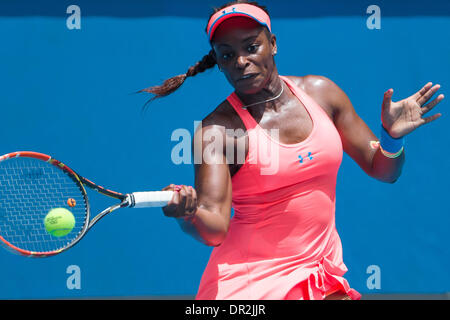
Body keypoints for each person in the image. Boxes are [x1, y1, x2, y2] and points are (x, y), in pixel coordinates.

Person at [140, 1, 444, 300]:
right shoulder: (216, 132)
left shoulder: (323, 94)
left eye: (251, 46)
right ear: (219, 62)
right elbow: (216, 229)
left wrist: (391, 138)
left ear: (272, 44)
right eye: (228, 54)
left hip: (318, 275)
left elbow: (384, 170)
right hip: (249, 286)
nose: (240, 61)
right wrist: (189, 214)